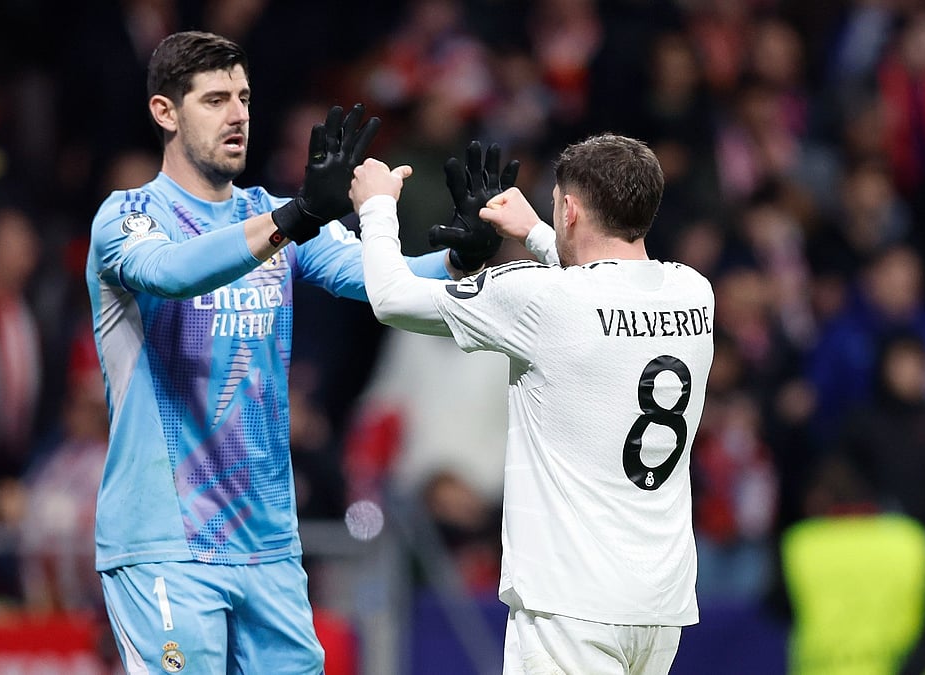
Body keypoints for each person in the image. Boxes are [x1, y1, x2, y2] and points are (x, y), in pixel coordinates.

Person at [85, 31, 469, 674]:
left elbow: (382, 279)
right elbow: (172, 273)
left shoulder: (273, 214)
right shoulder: (128, 217)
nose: (237, 114)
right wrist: (293, 220)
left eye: (244, 97)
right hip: (164, 543)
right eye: (215, 100)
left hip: (267, 543)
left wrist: (461, 256)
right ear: (165, 112)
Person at [350, 134, 715, 673]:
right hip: (660, 604)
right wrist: (537, 233)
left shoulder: (537, 298)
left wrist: (377, 207)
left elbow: (390, 299)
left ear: (570, 210)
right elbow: (596, 288)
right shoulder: (693, 292)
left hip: (571, 603)